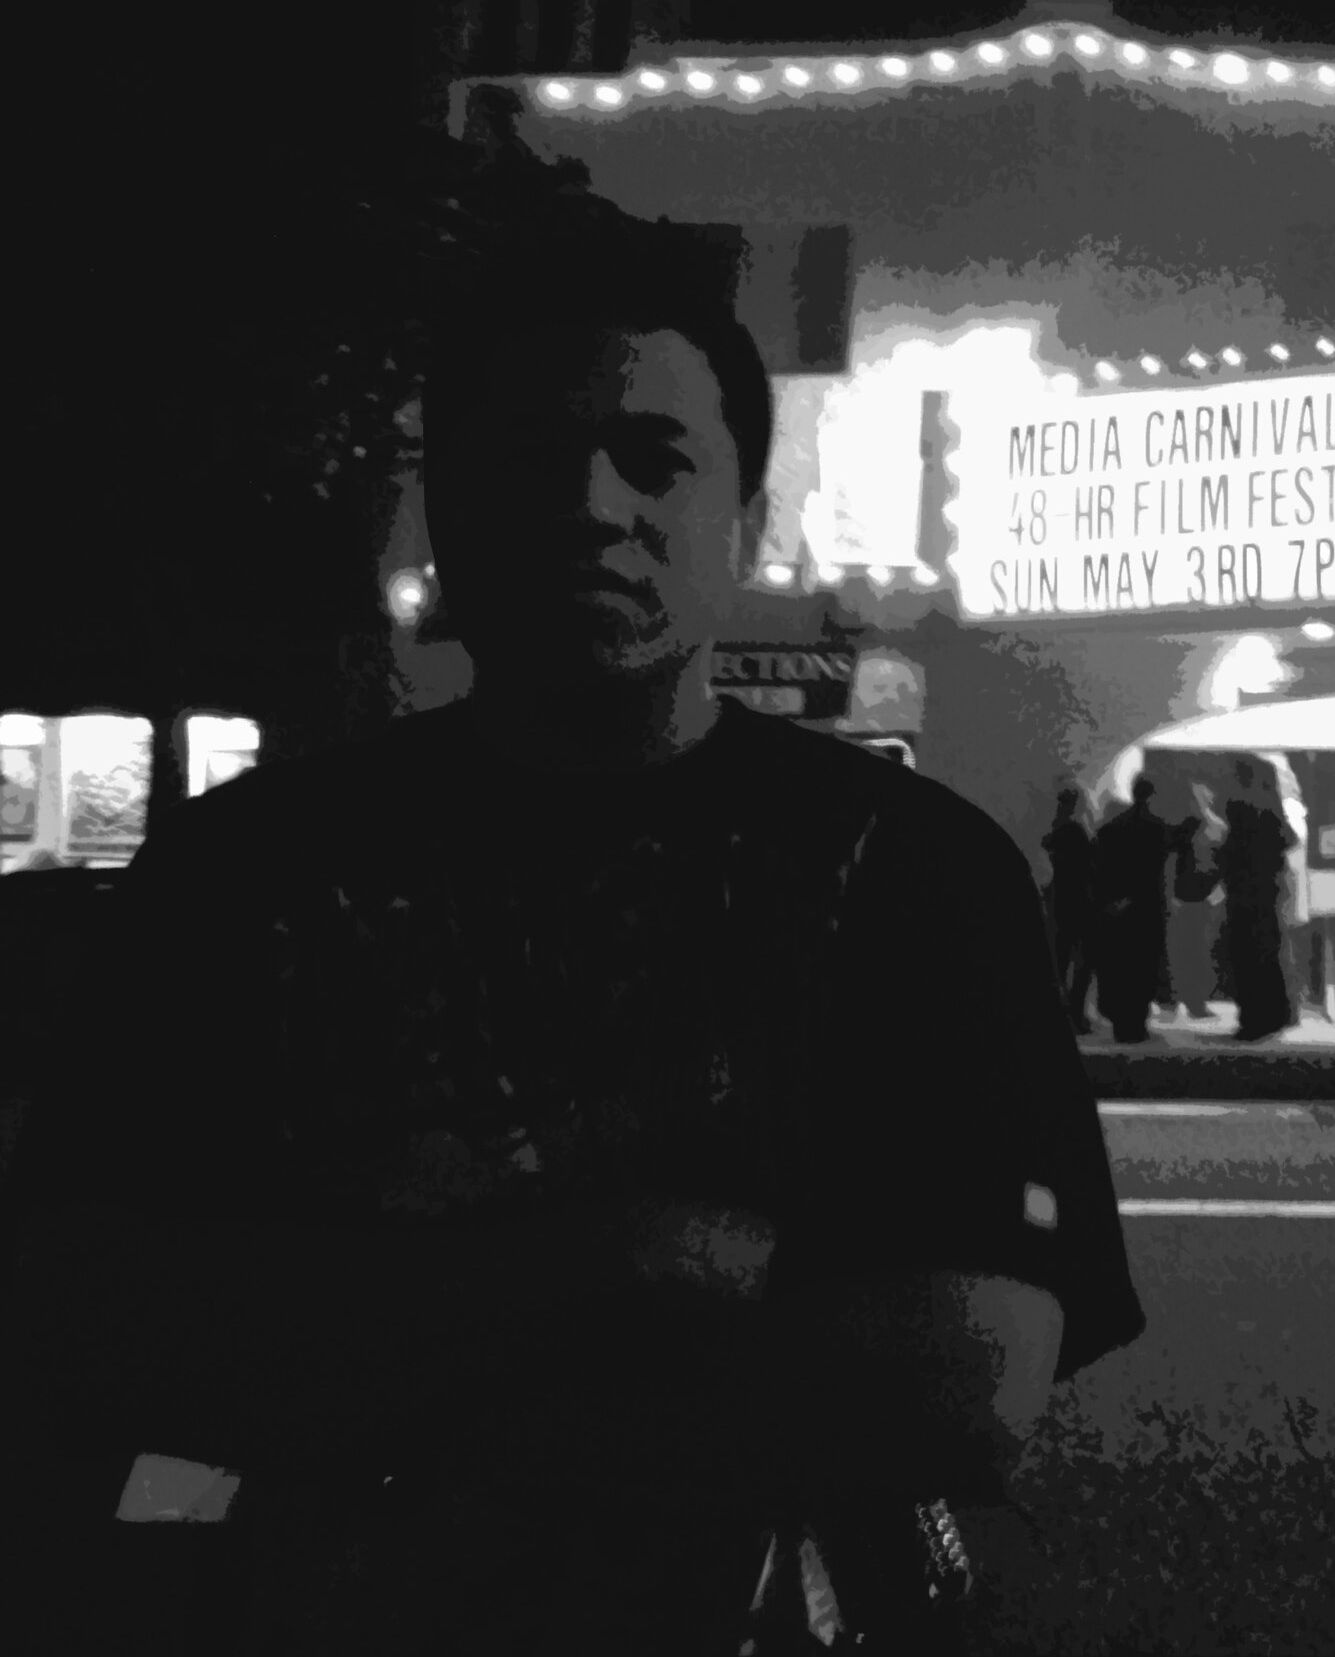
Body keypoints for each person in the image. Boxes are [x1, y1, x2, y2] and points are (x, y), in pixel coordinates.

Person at [3, 198, 1147, 1654]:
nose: (594, 502)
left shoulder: (916, 867)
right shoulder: (247, 868)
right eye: (530, 456)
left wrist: (377, 1365)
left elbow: (960, 1380)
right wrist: (628, 1262)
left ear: (741, 517)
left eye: (654, 458)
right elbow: (89, 1327)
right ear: (447, 509)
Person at [1095, 776, 1178, 1045]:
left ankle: (1123, 1023)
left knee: (1121, 965)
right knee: (1143, 966)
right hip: (1147, 906)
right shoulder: (1157, 829)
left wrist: (1112, 899)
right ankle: (1136, 1024)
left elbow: (1102, 868)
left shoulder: (1111, 829)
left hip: (1119, 906)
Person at [1222, 758, 1300, 1042]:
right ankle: (1273, 1015)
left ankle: (1254, 1019)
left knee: (1247, 956)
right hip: (1269, 892)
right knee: (1268, 955)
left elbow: (1231, 854)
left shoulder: (1241, 809)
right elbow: (1289, 841)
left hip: (1245, 894)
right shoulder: (1271, 808)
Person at [1042, 786, 1100, 1032]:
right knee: (1081, 963)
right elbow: (1088, 867)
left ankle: (1062, 1015)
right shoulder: (1075, 831)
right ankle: (1075, 1015)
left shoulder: (1053, 830)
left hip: (1059, 902)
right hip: (1079, 903)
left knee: (1061, 962)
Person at [1168, 806, 1222, 1021]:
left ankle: (1191, 1001)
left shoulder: (1193, 857)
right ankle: (1193, 1002)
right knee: (1193, 955)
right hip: (1193, 906)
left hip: (1194, 905)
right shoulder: (1194, 857)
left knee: (1192, 955)